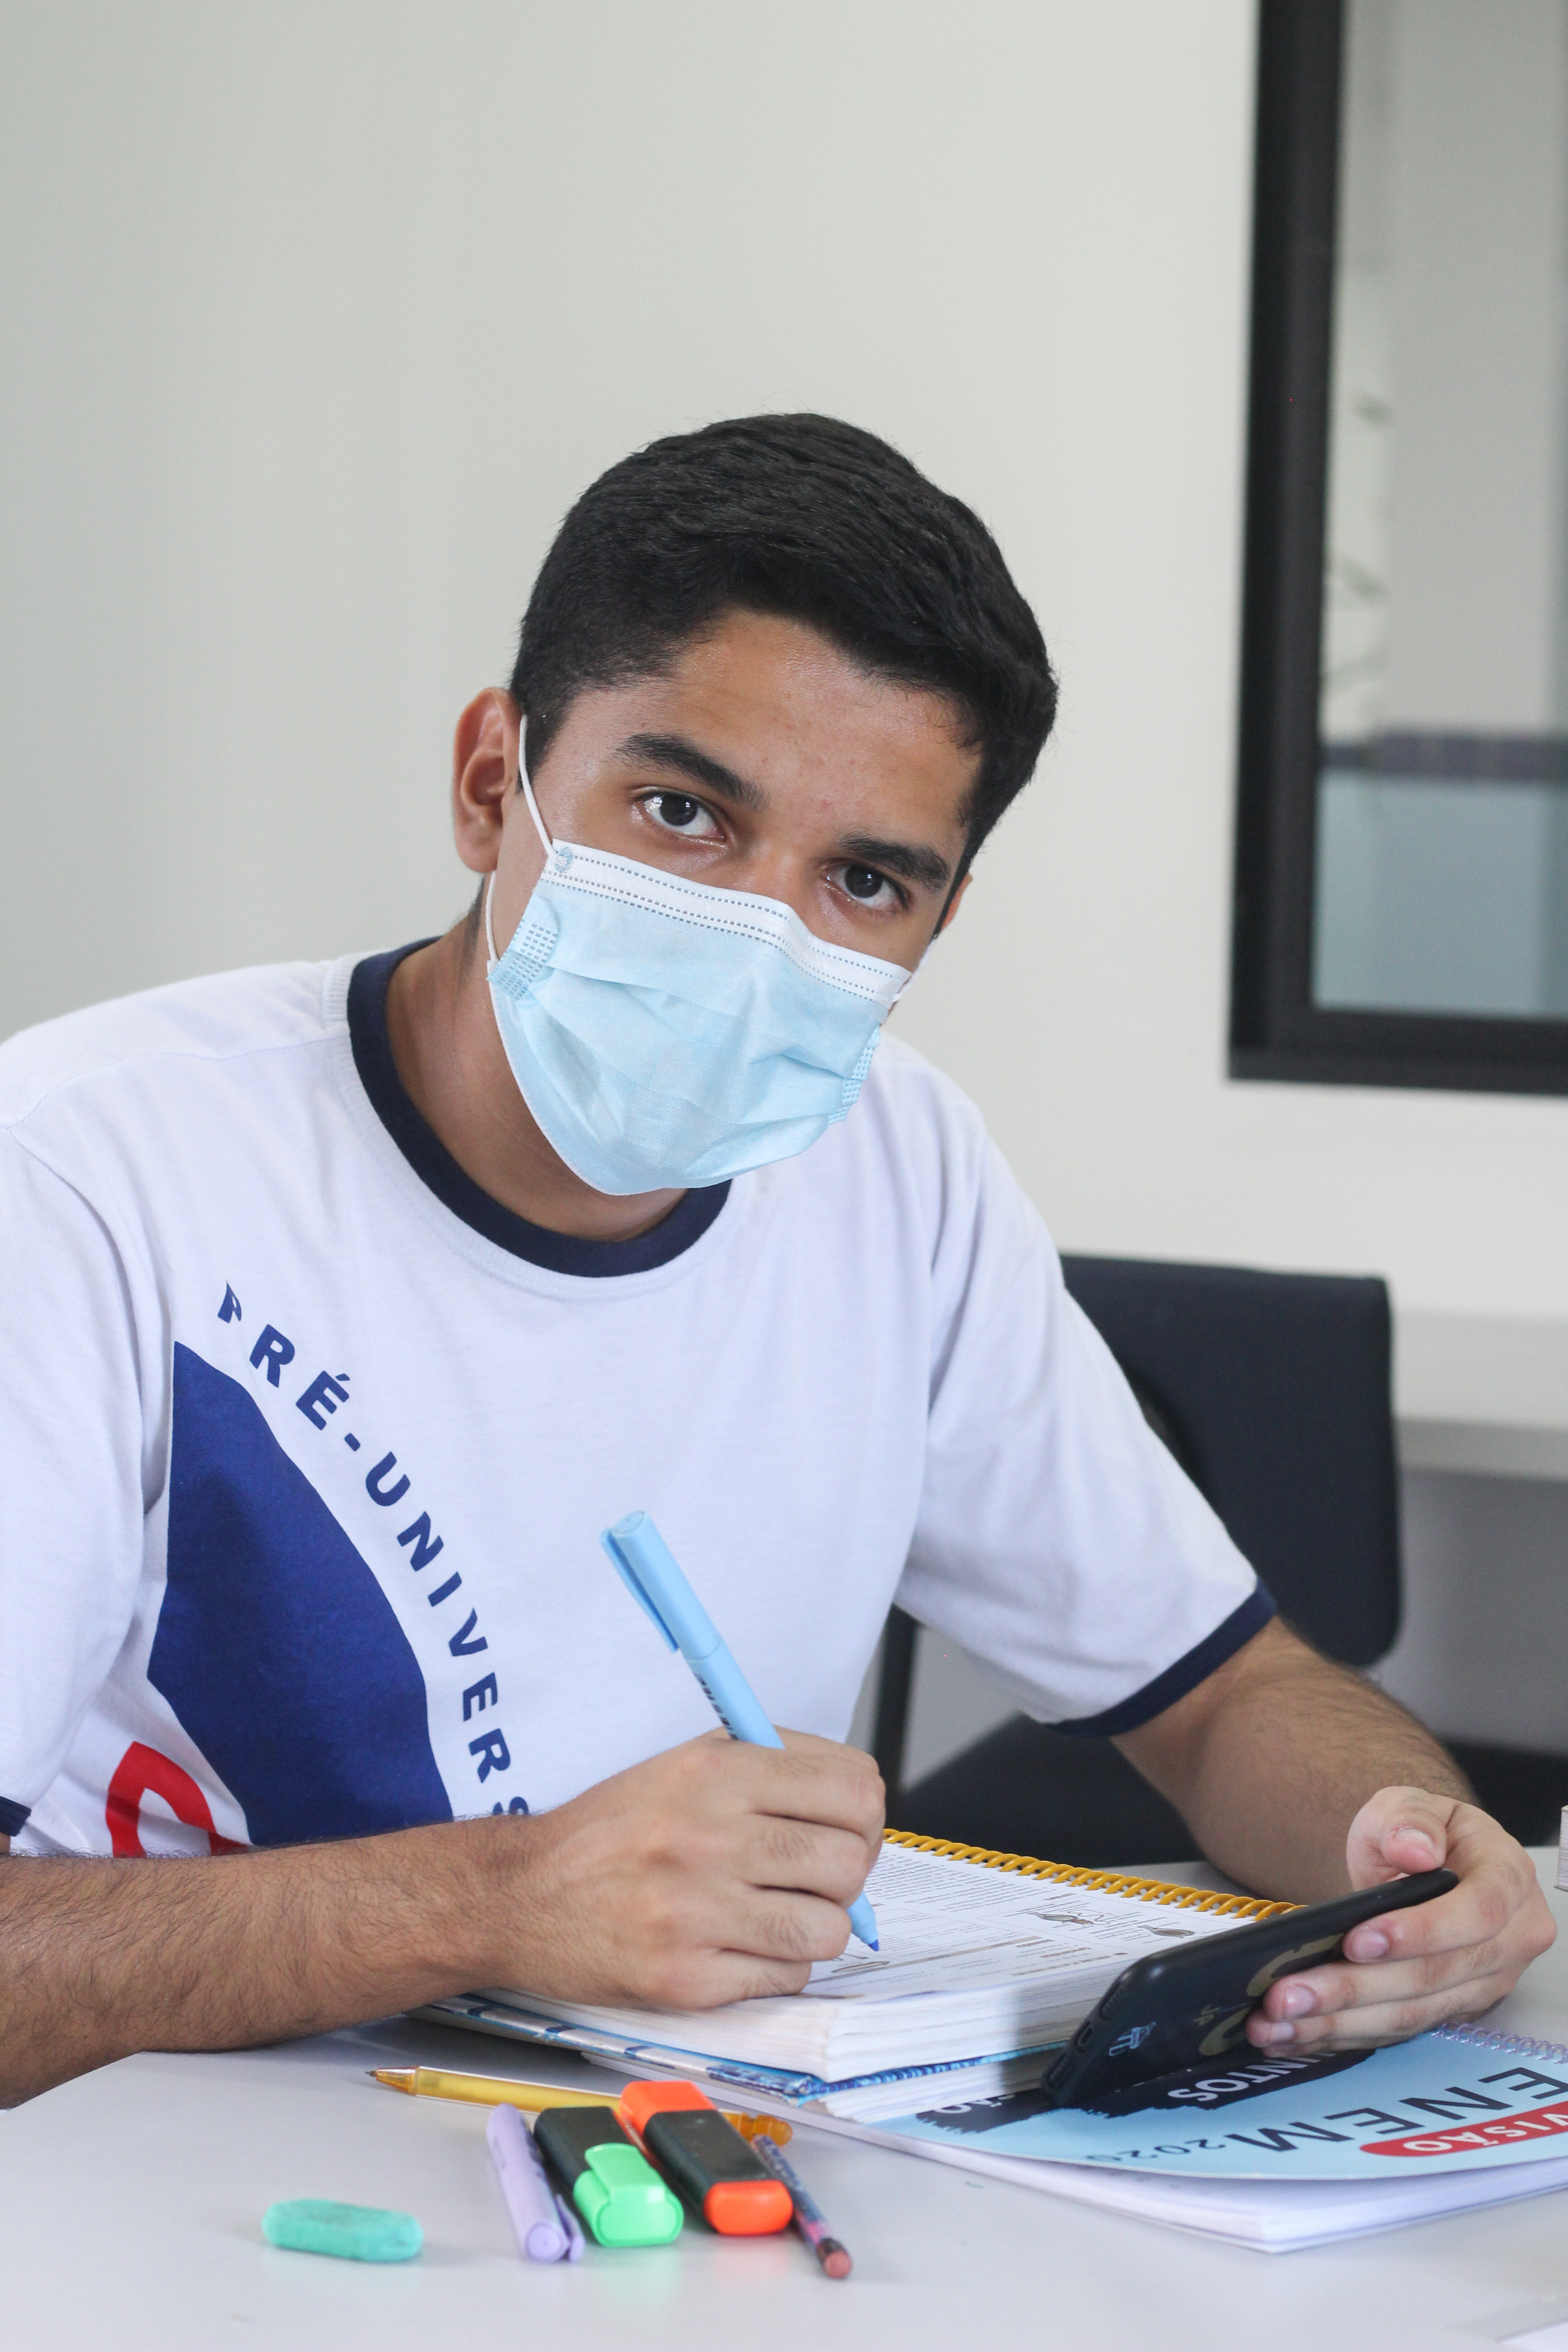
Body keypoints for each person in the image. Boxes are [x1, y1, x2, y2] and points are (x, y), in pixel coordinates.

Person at [0, 415, 1551, 2107]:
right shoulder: (86, 1175)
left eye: (865, 880)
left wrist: (1413, 1852)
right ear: (490, 783)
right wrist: (497, 1902)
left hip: (676, 2169)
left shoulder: (903, 1167)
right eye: (682, 812)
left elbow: (1219, 1691)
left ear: (939, 922)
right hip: (168, 2178)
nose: (759, 937)